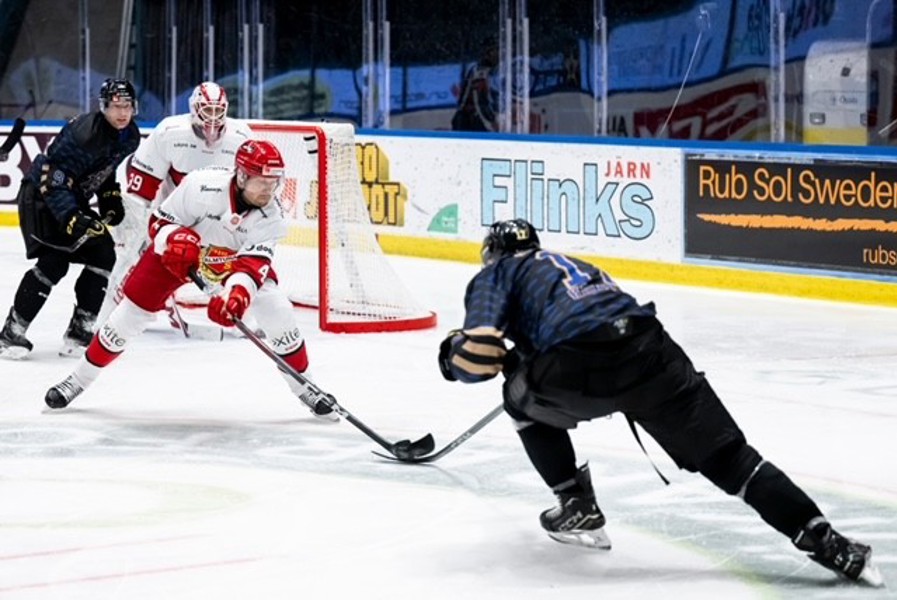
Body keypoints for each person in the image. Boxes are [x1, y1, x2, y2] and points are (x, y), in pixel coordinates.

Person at [437, 218, 883, 587]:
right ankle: (824, 539)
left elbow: (479, 354)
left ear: (491, 254)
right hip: (649, 349)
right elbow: (585, 320)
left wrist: (452, 357)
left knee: (518, 406)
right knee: (730, 459)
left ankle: (575, 502)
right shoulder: (575, 264)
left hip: (576, 366)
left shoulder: (495, 274)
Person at [43, 139, 337, 421]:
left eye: (274, 182)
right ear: (243, 177)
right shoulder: (201, 185)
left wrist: (236, 296)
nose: (269, 190)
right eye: (263, 181)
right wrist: (175, 237)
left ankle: (307, 388)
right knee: (126, 318)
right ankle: (76, 380)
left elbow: (253, 265)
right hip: (174, 256)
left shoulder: (272, 216)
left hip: (231, 263)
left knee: (279, 312)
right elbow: (158, 222)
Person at [0, 78, 140, 360]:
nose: (122, 113)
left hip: (69, 199)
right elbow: (51, 179)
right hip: (41, 198)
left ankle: (79, 331)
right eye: (116, 106)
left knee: (102, 253)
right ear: (103, 107)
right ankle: (13, 332)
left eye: (127, 106)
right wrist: (71, 217)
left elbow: (103, 168)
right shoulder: (84, 135)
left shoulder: (129, 135)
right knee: (55, 262)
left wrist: (109, 196)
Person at [99, 81, 252, 325]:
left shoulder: (241, 136)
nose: (212, 117)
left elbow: (248, 186)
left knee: (240, 255)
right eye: (206, 110)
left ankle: (239, 311)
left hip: (216, 215)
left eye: (217, 110)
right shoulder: (171, 132)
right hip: (173, 214)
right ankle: (105, 318)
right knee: (131, 257)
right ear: (194, 109)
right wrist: (140, 229)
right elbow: (142, 187)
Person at [451, 42, 499, 132]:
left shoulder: (489, 71)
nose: (498, 55)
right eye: (494, 51)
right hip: (468, 120)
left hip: (472, 118)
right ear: (487, 55)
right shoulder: (480, 72)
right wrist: (492, 120)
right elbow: (479, 101)